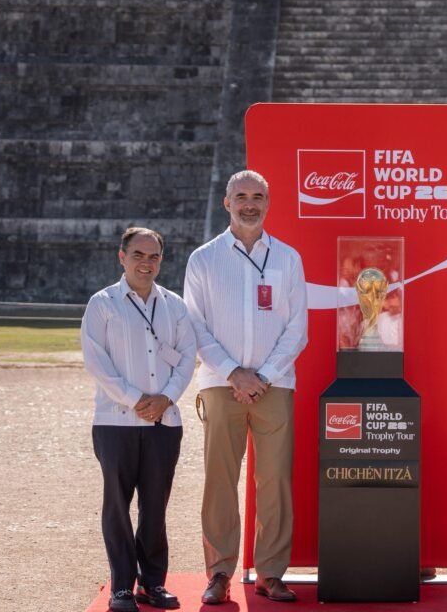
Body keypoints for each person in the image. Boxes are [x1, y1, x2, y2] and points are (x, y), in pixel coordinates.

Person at [184, 170, 308, 604]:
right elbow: (194, 326)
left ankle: (270, 572)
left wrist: (265, 375)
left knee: (274, 480)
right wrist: (236, 373)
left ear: (268, 203)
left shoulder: (288, 258)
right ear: (227, 203)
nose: (249, 204)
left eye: (257, 196)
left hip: (275, 386)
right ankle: (219, 571)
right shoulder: (203, 258)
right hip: (221, 385)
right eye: (242, 197)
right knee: (220, 479)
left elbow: (298, 328)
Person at [81, 227, 197, 612]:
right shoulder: (103, 304)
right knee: (116, 505)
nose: (146, 263)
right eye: (138, 255)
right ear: (122, 257)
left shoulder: (175, 306)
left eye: (154, 257)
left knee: (155, 507)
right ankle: (121, 587)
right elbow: (97, 363)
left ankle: (152, 583)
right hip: (115, 422)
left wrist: (166, 398)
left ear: (161, 260)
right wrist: (136, 400)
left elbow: (185, 358)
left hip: (165, 423)